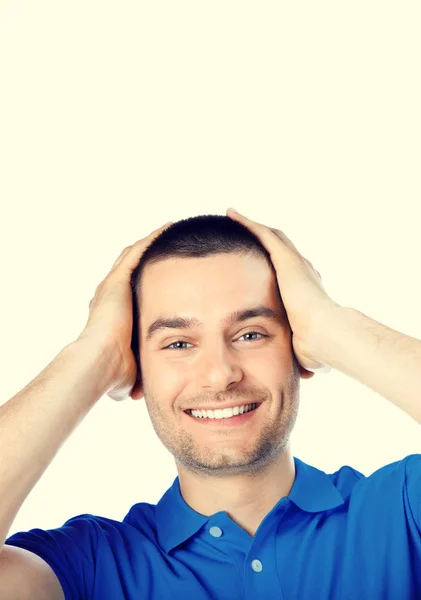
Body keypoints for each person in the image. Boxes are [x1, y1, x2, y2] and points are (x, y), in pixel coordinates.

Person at [1, 210, 420, 599]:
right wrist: (92, 355)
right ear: (135, 374)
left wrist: (334, 325)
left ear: (301, 350)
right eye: (179, 343)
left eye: (251, 334)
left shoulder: (402, 513)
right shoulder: (89, 567)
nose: (220, 374)